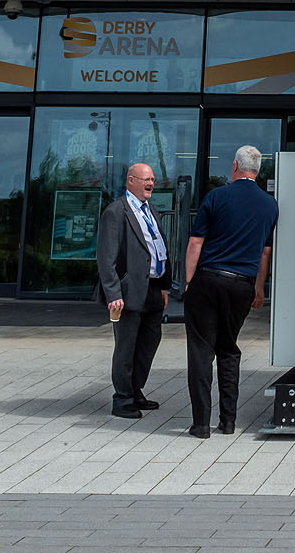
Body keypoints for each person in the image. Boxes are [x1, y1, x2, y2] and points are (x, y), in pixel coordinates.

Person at [182, 145, 281, 437]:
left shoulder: (216, 196)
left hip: (208, 279)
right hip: (242, 285)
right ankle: (228, 421)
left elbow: (196, 243)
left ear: (235, 167)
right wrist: (258, 288)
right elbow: (265, 253)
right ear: (257, 171)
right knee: (228, 348)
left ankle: (201, 424)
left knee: (201, 351)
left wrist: (189, 282)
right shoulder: (270, 205)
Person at [97, 161, 172, 417]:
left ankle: (135, 389)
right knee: (126, 346)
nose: (151, 184)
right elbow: (106, 257)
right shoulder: (116, 212)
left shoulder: (151, 211)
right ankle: (122, 398)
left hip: (153, 288)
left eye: (152, 180)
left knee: (149, 341)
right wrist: (113, 293)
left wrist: (164, 286)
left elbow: (159, 249)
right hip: (128, 292)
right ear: (131, 181)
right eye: (146, 179)